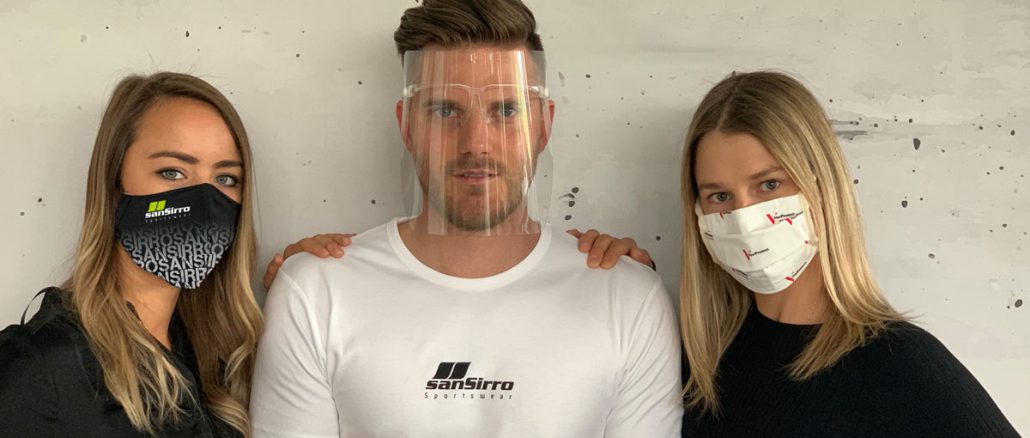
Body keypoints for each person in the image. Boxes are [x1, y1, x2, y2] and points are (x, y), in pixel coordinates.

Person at [248, 0, 682, 437]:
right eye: (444, 110)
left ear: (543, 125)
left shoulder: (627, 298)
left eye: (506, 110)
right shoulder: (316, 293)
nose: (476, 142)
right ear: (407, 126)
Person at [678, 71, 1018, 437]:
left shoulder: (898, 364)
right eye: (719, 196)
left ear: (822, 186)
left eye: (769, 184)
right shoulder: (707, 357)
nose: (744, 219)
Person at [0, 72, 262, 437]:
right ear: (113, 186)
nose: (205, 200)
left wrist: (306, 276)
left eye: (225, 179)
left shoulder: (213, 355)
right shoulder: (42, 367)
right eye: (172, 172)